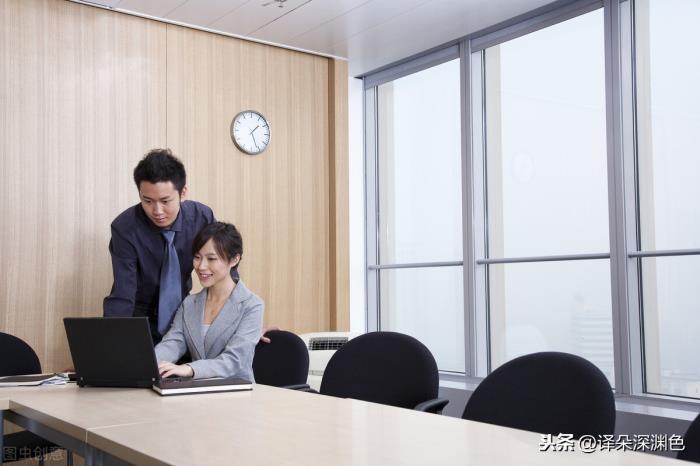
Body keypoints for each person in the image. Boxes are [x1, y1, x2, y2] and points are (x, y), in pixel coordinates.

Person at [103, 148, 233, 342]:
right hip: (140, 318)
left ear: (183, 192)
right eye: (147, 201)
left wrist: (243, 322)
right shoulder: (125, 228)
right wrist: (109, 341)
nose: (157, 211)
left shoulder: (201, 217)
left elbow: (225, 271)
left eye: (165, 201)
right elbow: (123, 292)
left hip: (185, 314)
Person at [155, 222, 263, 379]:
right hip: (198, 389)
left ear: (234, 260)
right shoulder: (189, 303)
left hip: (237, 389)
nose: (201, 266)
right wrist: (148, 363)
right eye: (197, 257)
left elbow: (234, 360)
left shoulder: (251, 305)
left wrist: (190, 368)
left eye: (211, 259)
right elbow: (173, 343)